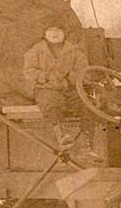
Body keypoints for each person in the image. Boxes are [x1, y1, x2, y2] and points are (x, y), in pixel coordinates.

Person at [22, 23, 99, 165]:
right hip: (46, 88)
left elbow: (84, 72)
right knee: (51, 103)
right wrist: (47, 77)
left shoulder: (76, 52)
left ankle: (87, 146)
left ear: (64, 33)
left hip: (71, 89)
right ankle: (62, 137)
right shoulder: (35, 51)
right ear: (45, 34)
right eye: (50, 29)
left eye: (58, 29)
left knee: (88, 105)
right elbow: (28, 72)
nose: (55, 33)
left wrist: (68, 78)